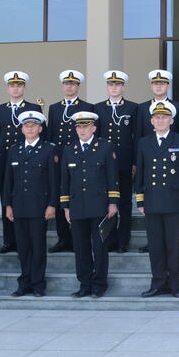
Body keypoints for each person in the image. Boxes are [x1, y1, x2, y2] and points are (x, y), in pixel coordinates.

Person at [134, 101, 179, 298]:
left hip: (174, 200)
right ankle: (158, 283)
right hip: (151, 201)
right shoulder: (144, 142)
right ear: (151, 121)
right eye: (157, 118)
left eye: (164, 117)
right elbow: (140, 173)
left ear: (171, 120)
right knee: (156, 246)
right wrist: (140, 200)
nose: (161, 120)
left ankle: (174, 285)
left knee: (174, 246)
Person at [59, 111, 119, 298]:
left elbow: (112, 177)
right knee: (81, 248)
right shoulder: (69, 150)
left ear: (93, 128)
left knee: (100, 248)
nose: (82, 130)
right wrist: (66, 207)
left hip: (100, 205)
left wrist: (113, 203)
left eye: (85, 127)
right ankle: (84, 284)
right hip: (77, 206)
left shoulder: (105, 147)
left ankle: (99, 284)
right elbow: (65, 181)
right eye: (79, 127)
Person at [2, 110, 57, 297]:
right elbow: (8, 181)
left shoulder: (49, 149)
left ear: (40, 128)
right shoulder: (14, 150)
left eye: (33, 126)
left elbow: (54, 180)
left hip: (39, 207)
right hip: (19, 206)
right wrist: (7, 205)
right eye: (27, 126)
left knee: (38, 247)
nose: (30, 128)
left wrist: (52, 204)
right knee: (23, 248)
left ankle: (38, 284)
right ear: (22, 129)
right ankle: (24, 283)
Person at [0, 71, 42, 254]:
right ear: (8, 88)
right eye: (12, 85)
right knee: (8, 198)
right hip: (7, 160)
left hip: (27, 159)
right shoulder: (0, 109)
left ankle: (26, 238)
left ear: (24, 88)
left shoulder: (33, 108)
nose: (16, 88)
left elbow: (38, 135)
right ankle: (9, 240)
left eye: (19, 85)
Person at [46, 69, 92, 253]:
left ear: (78, 86)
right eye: (66, 83)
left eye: (73, 84)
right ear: (63, 86)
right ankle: (63, 238)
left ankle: (79, 237)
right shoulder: (54, 108)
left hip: (80, 158)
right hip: (59, 159)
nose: (69, 86)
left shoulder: (87, 107)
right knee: (60, 197)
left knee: (78, 195)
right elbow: (50, 135)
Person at [94, 70, 138, 253]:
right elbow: (95, 138)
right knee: (107, 202)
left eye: (118, 84)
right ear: (107, 87)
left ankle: (123, 239)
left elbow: (136, 137)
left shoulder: (132, 108)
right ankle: (109, 238)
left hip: (125, 163)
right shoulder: (97, 108)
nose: (114, 87)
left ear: (123, 87)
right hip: (104, 165)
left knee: (125, 203)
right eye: (111, 84)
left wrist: (135, 162)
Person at [137, 69, 179, 138]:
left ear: (168, 86)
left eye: (162, 83)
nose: (158, 86)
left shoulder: (178, 107)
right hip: (148, 147)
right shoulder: (142, 108)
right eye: (155, 84)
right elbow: (138, 135)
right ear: (151, 86)